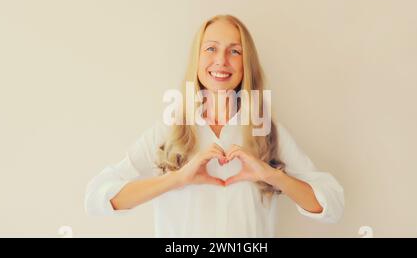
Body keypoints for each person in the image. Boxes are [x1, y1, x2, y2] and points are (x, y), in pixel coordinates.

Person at [85, 14, 344, 237]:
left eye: (235, 51)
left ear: (246, 64)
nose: (221, 60)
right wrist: (176, 179)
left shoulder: (266, 132)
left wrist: (271, 175)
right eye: (210, 49)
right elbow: (97, 198)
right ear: (197, 60)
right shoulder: (169, 130)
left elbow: (332, 205)